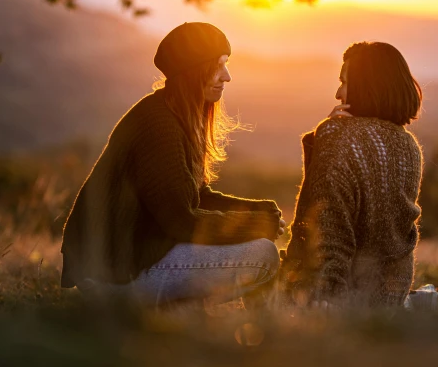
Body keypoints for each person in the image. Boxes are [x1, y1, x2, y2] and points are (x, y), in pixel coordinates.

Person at [60, 22, 286, 307]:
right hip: (115, 274)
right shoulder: (159, 127)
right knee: (263, 254)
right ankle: (242, 329)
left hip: (125, 261)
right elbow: (181, 220)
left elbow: (194, 196)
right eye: (218, 66)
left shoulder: (170, 111)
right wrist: (256, 225)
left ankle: (182, 311)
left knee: (255, 242)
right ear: (193, 71)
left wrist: (256, 211)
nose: (227, 77)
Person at [280, 41, 424, 308]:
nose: (338, 93)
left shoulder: (338, 136)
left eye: (344, 82)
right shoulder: (410, 146)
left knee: (260, 259)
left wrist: (327, 297)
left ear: (365, 86)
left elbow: (327, 227)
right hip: (390, 295)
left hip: (338, 296)